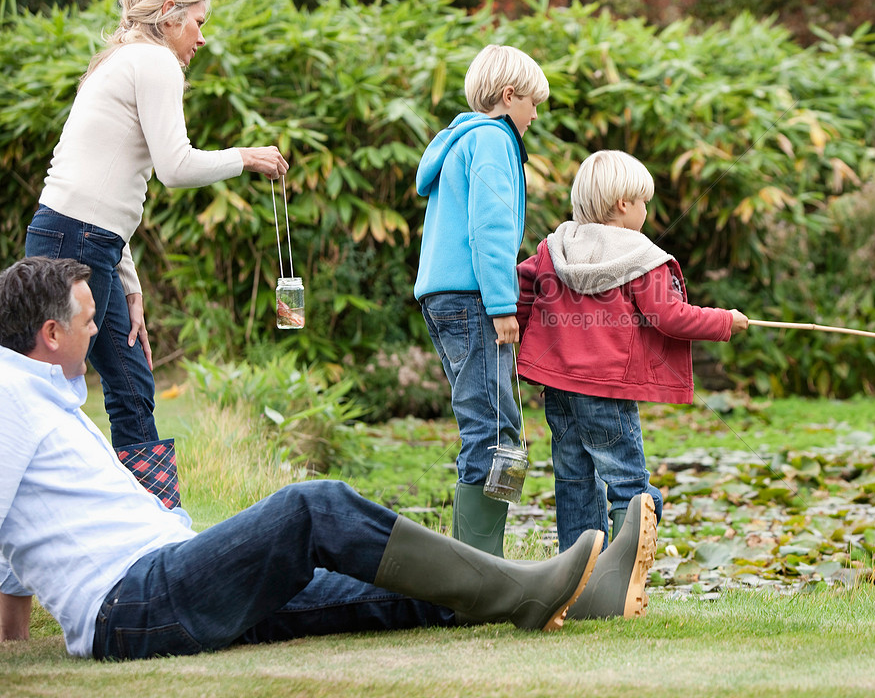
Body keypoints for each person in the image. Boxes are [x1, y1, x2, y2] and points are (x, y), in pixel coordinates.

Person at [0, 256, 661, 659]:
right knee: (311, 509)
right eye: (89, 320)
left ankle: (580, 596)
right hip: (138, 601)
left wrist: (13, 633)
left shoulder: (40, 397)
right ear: (51, 332)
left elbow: (14, 544)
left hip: (166, 586)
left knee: (388, 588)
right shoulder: (9, 397)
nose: (100, 329)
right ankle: (528, 590)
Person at [23, 0, 289, 466]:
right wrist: (247, 157)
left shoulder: (123, 61)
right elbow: (175, 166)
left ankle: (153, 518)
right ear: (169, 13)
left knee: (129, 380)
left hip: (81, 239)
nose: (201, 38)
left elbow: (105, 193)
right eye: (198, 22)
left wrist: (131, 287)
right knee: (53, 388)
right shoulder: (155, 61)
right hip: (76, 241)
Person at [515, 150, 749, 587]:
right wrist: (724, 321)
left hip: (559, 390)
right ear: (623, 204)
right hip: (608, 390)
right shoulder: (639, 256)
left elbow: (523, 291)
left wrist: (524, 332)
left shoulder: (554, 248)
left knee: (573, 478)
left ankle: (577, 579)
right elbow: (670, 316)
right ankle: (621, 581)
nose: (646, 211)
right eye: (644, 201)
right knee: (627, 480)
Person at [412, 44, 547, 557]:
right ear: (509, 96)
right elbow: (489, 229)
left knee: (493, 421)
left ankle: (480, 562)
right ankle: (478, 568)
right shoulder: (492, 139)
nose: (535, 115)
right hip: (472, 299)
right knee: (493, 429)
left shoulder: (460, 140)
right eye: (533, 103)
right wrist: (502, 305)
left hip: (447, 298)